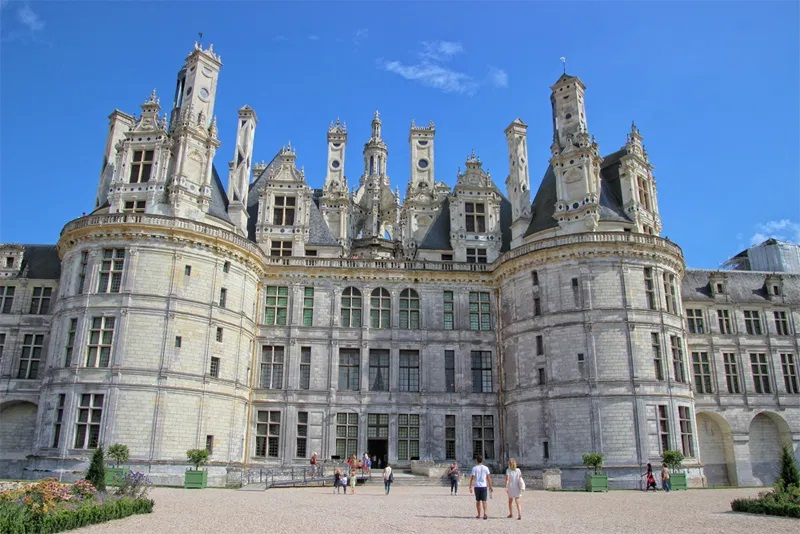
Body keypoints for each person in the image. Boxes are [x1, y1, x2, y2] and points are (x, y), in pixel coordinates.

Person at [469, 455, 493, 520]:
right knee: (484, 501)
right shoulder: (486, 468)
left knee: (478, 501)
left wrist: (470, 486)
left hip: (477, 486)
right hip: (484, 486)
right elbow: (488, 478)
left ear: (477, 460)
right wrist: (490, 486)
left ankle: (479, 514)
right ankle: (485, 513)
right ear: (482, 460)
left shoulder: (474, 468)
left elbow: (473, 478)